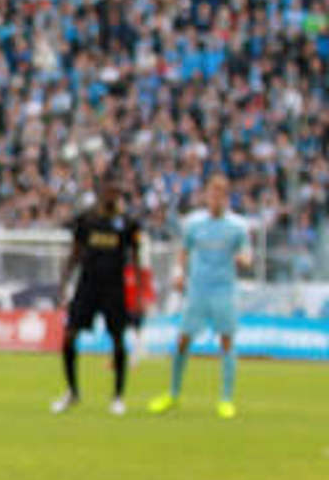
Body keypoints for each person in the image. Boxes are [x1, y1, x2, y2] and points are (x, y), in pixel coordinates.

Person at [148, 174, 252, 419]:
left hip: (223, 289)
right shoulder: (194, 223)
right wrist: (178, 272)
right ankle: (173, 394)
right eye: (212, 194)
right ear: (206, 195)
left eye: (221, 195)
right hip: (198, 289)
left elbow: (247, 252)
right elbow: (184, 251)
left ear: (227, 198)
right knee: (183, 339)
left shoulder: (237, 226)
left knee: (226, 340)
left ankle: (226, 399)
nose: (216, 199)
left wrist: (244, 259)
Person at [52, 177, 142, 415]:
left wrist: (139, 293)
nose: (113, 196)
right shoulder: (87, 220)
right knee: (70, 335)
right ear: (101, 192)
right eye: (110, 191)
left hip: (115, 287)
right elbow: (75, 253)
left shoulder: (128, 224)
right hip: (87, 285)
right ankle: (72, 392)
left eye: (117, 192)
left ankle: (118, 397)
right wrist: (63, 283)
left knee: (117, 339)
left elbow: (136, 258)